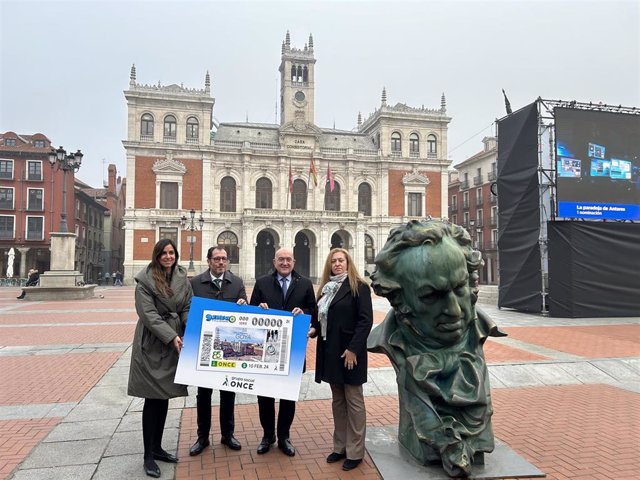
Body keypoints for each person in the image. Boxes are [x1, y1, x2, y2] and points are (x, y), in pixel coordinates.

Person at [368, 219, 506, 477]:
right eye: (431, 296)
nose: (454, 311)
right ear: (399, 299)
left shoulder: (476, 331)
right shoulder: (390, 339)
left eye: (460, 287)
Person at [127, 239, 193, 478]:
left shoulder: (182, 278)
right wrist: (171, 336)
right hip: (153, 342)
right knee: (152, 398)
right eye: (164, 253)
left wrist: (188, 327)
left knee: (164, 396)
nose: (168, 256)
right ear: (156, 256)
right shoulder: (145, 280)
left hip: (174, 340)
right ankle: (148, 455)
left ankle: (158, 447)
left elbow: (187, 306)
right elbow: (148, 314)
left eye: (171, 252)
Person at [308, 248, 373, 472]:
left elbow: (365, 321)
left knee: (354, 400)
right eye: (333, 261)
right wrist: (314, 329)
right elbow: (321, 318)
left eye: (341, 260)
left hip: (350, 353)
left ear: (348, 263)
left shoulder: (359, 287)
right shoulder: (326, 289)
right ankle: (340, 446)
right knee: (338, 400)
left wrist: (354, 349)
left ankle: (355, 451)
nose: (337, 264)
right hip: (330, 350)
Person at [249, 247, 317, 457]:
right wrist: (258, 307)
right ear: (274, 261)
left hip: (292, 350)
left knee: (288, 397)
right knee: (265, 397)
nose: (285, 263)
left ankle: (284, 436)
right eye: (281, 259)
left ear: (294, 262)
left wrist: (303, 312)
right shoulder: (262, 283)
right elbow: (251, 314)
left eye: (288, 259)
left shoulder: (304, 283)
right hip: (266, 351)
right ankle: (267, 436)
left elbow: (313, 311)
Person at [189, 246, 247, 456]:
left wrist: (243, 304)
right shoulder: (195, 283)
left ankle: (227, 434)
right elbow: (188, 311)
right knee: (203, 394)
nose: (221, 262)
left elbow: (246, 313)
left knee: (228, 392)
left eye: (224, 259)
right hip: (204, 348)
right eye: (217, 259)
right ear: (209, 261)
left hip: (228, 349)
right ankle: (202, 437)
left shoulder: (237, 283)